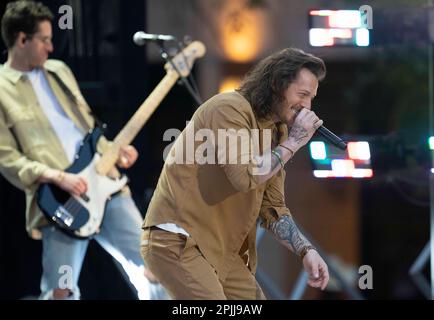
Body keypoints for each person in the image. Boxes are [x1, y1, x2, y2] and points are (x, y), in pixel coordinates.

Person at [0, 0, 168, 300]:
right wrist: (55, 176)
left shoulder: (59, 71)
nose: (51, 47)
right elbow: (6, 158)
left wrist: (113, 151)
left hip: (106, 185)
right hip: (62, 200)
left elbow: (87, 127)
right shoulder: (2, 88)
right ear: (22, 39)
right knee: (61, 291)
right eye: (45, 40)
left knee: (152, 267)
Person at [141, 47, 330, 299]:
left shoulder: (278, 132)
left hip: (221, 252)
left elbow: (272, 207)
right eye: (302, 94)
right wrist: (294, 143)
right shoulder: (228, 108)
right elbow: (244, 175)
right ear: (277, 84)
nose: (307, 106)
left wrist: (306, 251)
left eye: (312, 98)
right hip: (178, 240)